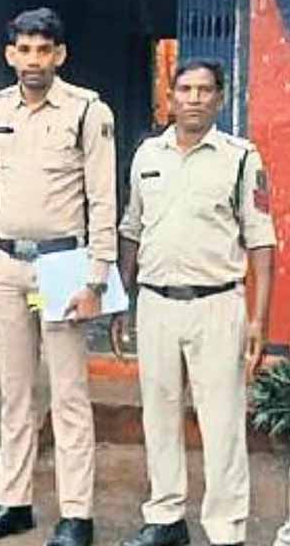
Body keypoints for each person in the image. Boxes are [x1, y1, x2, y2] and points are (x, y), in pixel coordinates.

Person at [0, 7, 117, 546]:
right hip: (6, 266)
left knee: (69, 393)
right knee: (15, 393)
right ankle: (15, 502)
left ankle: (77, 515)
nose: (33, 60)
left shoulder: (87, 110)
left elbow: (103, 199)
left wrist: (96, 279)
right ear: (10, 55)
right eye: (24, 49)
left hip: (62, 265)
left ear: (60, 55)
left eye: (43, 49)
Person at [114, 58, 275, 546]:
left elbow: (261, 240)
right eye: (185, 89)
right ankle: (166, 518)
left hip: (217, 305)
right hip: (156, 303)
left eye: (205, 90)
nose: (194, 99)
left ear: (220, 99)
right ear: (171, 95)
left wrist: (258, 320)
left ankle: (226, 529)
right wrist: (122, 300)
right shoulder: (147, 155)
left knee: (221, 421)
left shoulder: (241, 158)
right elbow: (132, 228)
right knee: (159, 414)